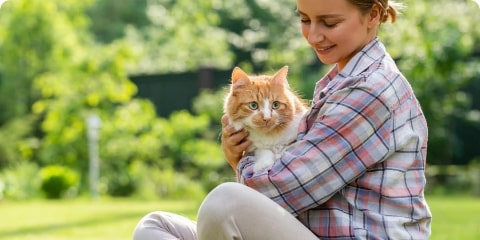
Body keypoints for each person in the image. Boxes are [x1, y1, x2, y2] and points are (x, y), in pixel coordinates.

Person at [133, 0, 432, 239]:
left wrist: (239, 160)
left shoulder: (371, 90)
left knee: (225, 202)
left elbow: (281, 190)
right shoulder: (340, 81)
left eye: (329, 22)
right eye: (305, 19)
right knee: (155, 227)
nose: (313, 35)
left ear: (373, 15)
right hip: (305, 229)